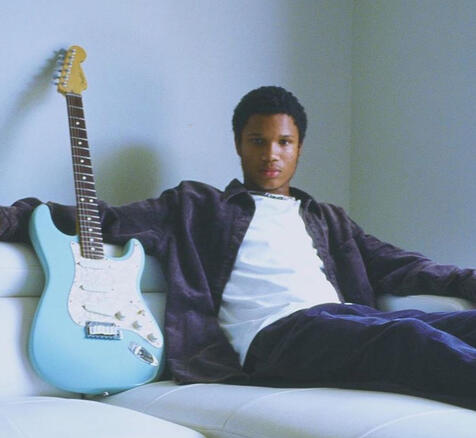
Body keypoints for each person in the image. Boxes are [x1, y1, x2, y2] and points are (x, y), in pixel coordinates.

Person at [2, 86, 476, 404]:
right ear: (239, 144)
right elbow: (103, 219)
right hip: (272, 338)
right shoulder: (197, 206)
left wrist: (466, 281)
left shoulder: (328, 219)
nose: (271, 154)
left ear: (299, 148)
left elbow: (400, 264)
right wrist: (15, 217)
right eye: (257, 140)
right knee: (408, 336)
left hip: (343, 321)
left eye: (283, 142)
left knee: (458, 324)